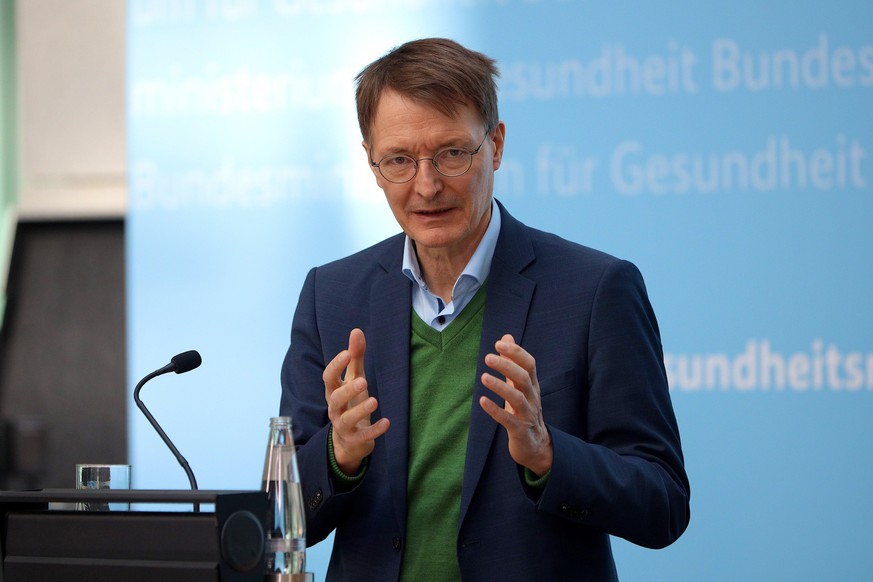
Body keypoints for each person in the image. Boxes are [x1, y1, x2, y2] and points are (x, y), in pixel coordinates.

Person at [280, 37, 690, 582]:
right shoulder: (330, 295)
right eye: (400, 160)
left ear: (495, 145)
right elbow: (280, 517)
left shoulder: (596, 290)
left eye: (452, 153)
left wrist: (548, 455)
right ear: (372, 165)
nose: (426, 186)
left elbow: (662, 503)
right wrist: (339, 456)